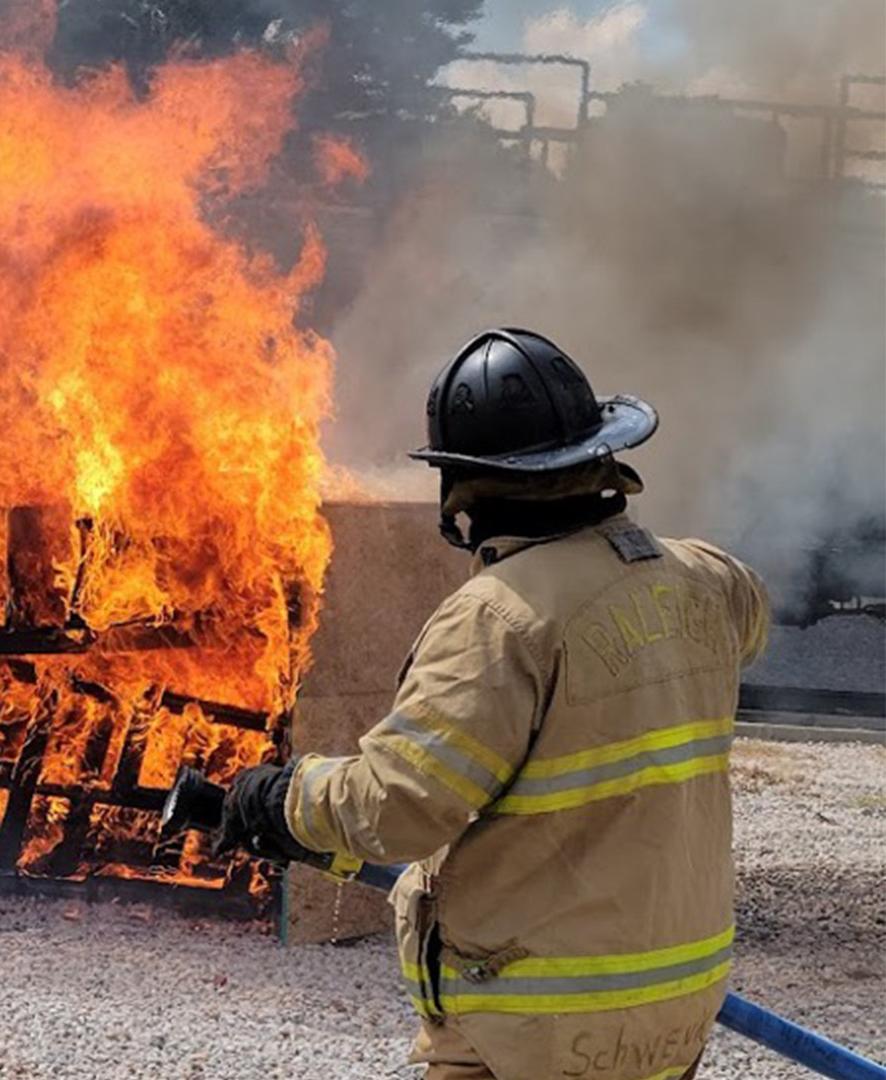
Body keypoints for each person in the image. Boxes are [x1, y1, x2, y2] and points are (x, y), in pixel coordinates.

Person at [219, 328, 770, 1080]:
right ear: (600, 457)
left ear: (468, 486)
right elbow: (724, 639)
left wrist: (282, 798)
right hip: (675, 1008)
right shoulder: (710, 579)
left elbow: (401, 803)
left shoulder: (500, 617)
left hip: (535, 1024)